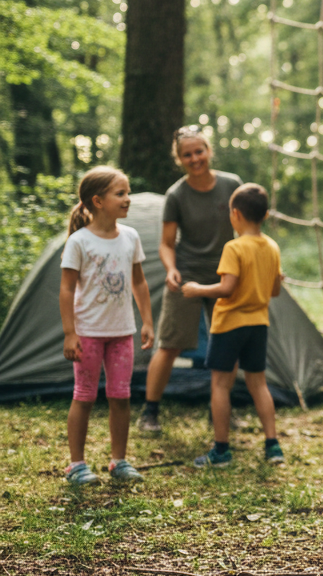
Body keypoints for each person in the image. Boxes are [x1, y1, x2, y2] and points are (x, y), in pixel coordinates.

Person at [138, 125, 242, 434]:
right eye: (187, 154)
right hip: (187, 278)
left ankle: (221, 410)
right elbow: (167, 244)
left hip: (227, 275)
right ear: (179, 159)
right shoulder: (176, 194)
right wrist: (171, 269)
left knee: (227, 344)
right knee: (169, 344)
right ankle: (150, 411)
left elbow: (246, 228)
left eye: (199, 151)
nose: (195, 158)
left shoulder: (231, 185)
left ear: (209, 151)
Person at [59, 166, 154, 485]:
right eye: (121, 193)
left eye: (127, 193)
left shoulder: (131, 237)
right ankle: (76, 465)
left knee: (121, 396)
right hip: (87, 334)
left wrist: (147, 321)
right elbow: (67, 289)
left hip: (121, 333)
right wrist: (70, 332)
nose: (128, 199)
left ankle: (119, 461)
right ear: (98, 201)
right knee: (84, 395)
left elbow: (139, 283)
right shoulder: (80, 242)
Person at [183, 183, 284, 467]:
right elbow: (274, 291)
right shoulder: (272, 247)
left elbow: (227, 289)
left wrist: (197, 289)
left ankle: (221, 451)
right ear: (264, 215)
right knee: (258, 384)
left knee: (220, 385)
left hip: (229, 325)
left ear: (235, 214)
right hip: (258, 325)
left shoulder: (234, 247)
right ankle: (273, 446)